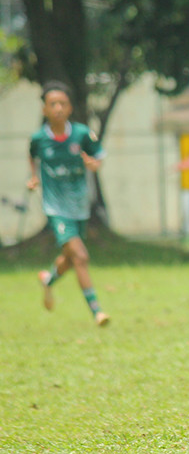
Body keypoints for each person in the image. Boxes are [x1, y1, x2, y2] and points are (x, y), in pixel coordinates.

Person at [27, 81, 110, 326]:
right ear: (45, 109)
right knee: (81, 257)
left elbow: (98, 155)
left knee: (69, 257)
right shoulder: (39, 138)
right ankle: (97, 311)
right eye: (53, 104)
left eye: (63, 103)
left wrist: (94, 165)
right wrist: (33, 178)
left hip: (79, 205)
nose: (58, 108)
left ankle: (48, 279)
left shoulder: (82, 134)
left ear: (70, 107)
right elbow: (32, 156)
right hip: (56, 208)